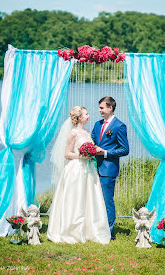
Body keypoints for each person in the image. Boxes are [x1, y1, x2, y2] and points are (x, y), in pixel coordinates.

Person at [47, 106, 111, 244]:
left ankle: (89, 229)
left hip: (89, 170)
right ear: (80, 117)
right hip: (76, 169)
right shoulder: (73, 133)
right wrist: (82, 155)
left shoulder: (87, 133)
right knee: (75, 199)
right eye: (86, 114)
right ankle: (72, 230)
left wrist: (94, 151)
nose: (89, 116)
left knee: (88, 198)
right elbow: (67, 154)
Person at [91, 96, 129, 240]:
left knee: (107, 200)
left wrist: (105, 152)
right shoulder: (96, 124)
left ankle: (109, 231)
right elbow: (92, 142)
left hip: (108, 169)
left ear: (110, 108)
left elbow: (125, 149)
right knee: (94, 199)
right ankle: (96, 227)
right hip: (93, 168)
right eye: (99, 108)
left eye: (102, 108)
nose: (99, 110)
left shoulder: (119, 126)